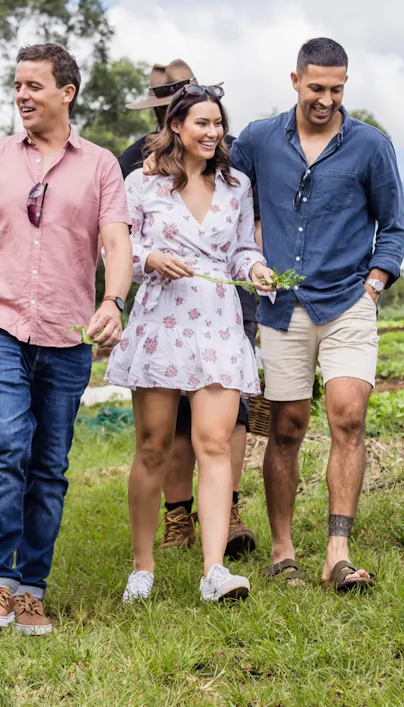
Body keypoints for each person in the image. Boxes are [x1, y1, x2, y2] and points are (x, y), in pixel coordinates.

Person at [0, 43, 132, 636]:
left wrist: (113, 300)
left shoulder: (100, 164)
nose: (22, 95)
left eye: (34, 85)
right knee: (5, 444)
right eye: (18, 85)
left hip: (67, 332)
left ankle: (32, 587)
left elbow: (117, 243)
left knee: (49, 464)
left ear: (66, 92)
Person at [231, 37, 404, 593]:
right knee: (285, 427)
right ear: (295, 81)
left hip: (348, 302)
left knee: (348, 416)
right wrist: (251, 254)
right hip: (281, 307)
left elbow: (393, 228)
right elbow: (225, 196)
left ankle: (337, 553)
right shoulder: (259, 139)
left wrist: (373, 287)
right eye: (316, 88)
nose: (325, 99)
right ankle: (283, 552)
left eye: (336, 89)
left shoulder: (371, 147)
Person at [106, 85, 273, 604]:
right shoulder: (142, 183)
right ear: (176, 126)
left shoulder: (236, 185)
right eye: (202, 122)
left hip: (219, 322)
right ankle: (142, 566)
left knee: (216, 443)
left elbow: (243, 249)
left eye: (218, 123)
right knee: (154, 446)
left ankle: (215, 570)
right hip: (161, 322)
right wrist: (148, 260)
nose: (213, 132)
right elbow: (118, 248)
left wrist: (257, 270)